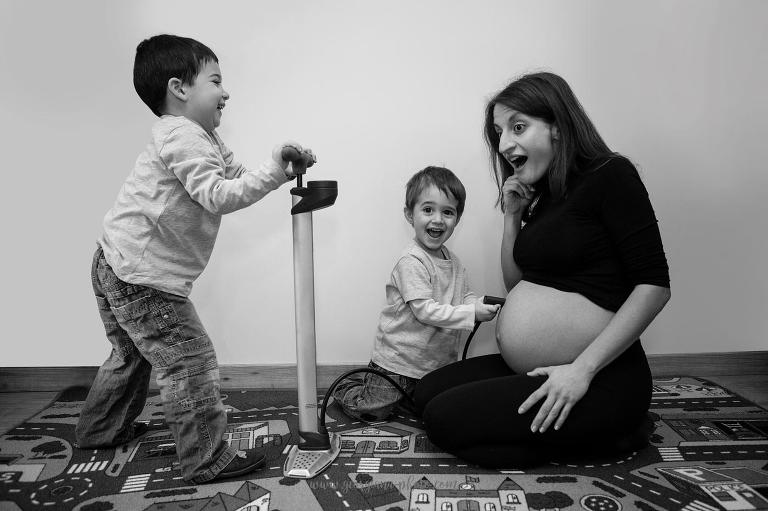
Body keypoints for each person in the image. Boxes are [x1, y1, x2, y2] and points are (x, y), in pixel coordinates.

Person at [75, 34, 316, 484]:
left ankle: (98, 432)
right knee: (189, 358)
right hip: (142, 278)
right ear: (179, 88)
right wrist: (272, 174)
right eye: (216, 81)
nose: (226, 92)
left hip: (115, 262)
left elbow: (236, 175)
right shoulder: (184, 137)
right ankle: (206, 458)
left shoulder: (202, 136)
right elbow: (217, 195)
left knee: (131, 355)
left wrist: (280, 170)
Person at [414, 72, 671, 468]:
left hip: (601, 376)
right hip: (537, 366)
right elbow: (519, 286)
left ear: (558, 124)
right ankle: (586, 434)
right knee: (426, 393)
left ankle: (618, 434)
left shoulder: (611, 174)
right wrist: (512, 217)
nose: (504, 144)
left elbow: (654, 286)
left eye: (518, 127)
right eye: (499, 132)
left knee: (444, 421)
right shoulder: (546, 196)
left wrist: (580, 372)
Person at [333, 166, 500, 422]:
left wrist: (476, 305)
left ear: (457, 218)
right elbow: (424, 310)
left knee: (432, 407)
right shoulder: (411, 261)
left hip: (433, 365)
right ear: (410, 215)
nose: (437, 219)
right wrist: (470, 312)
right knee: (374, 411)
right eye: (428, 209)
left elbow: (464, 295)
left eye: (448, 212)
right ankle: (347, 389)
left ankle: (403, 399)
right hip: (397, 363)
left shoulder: (454, 262)